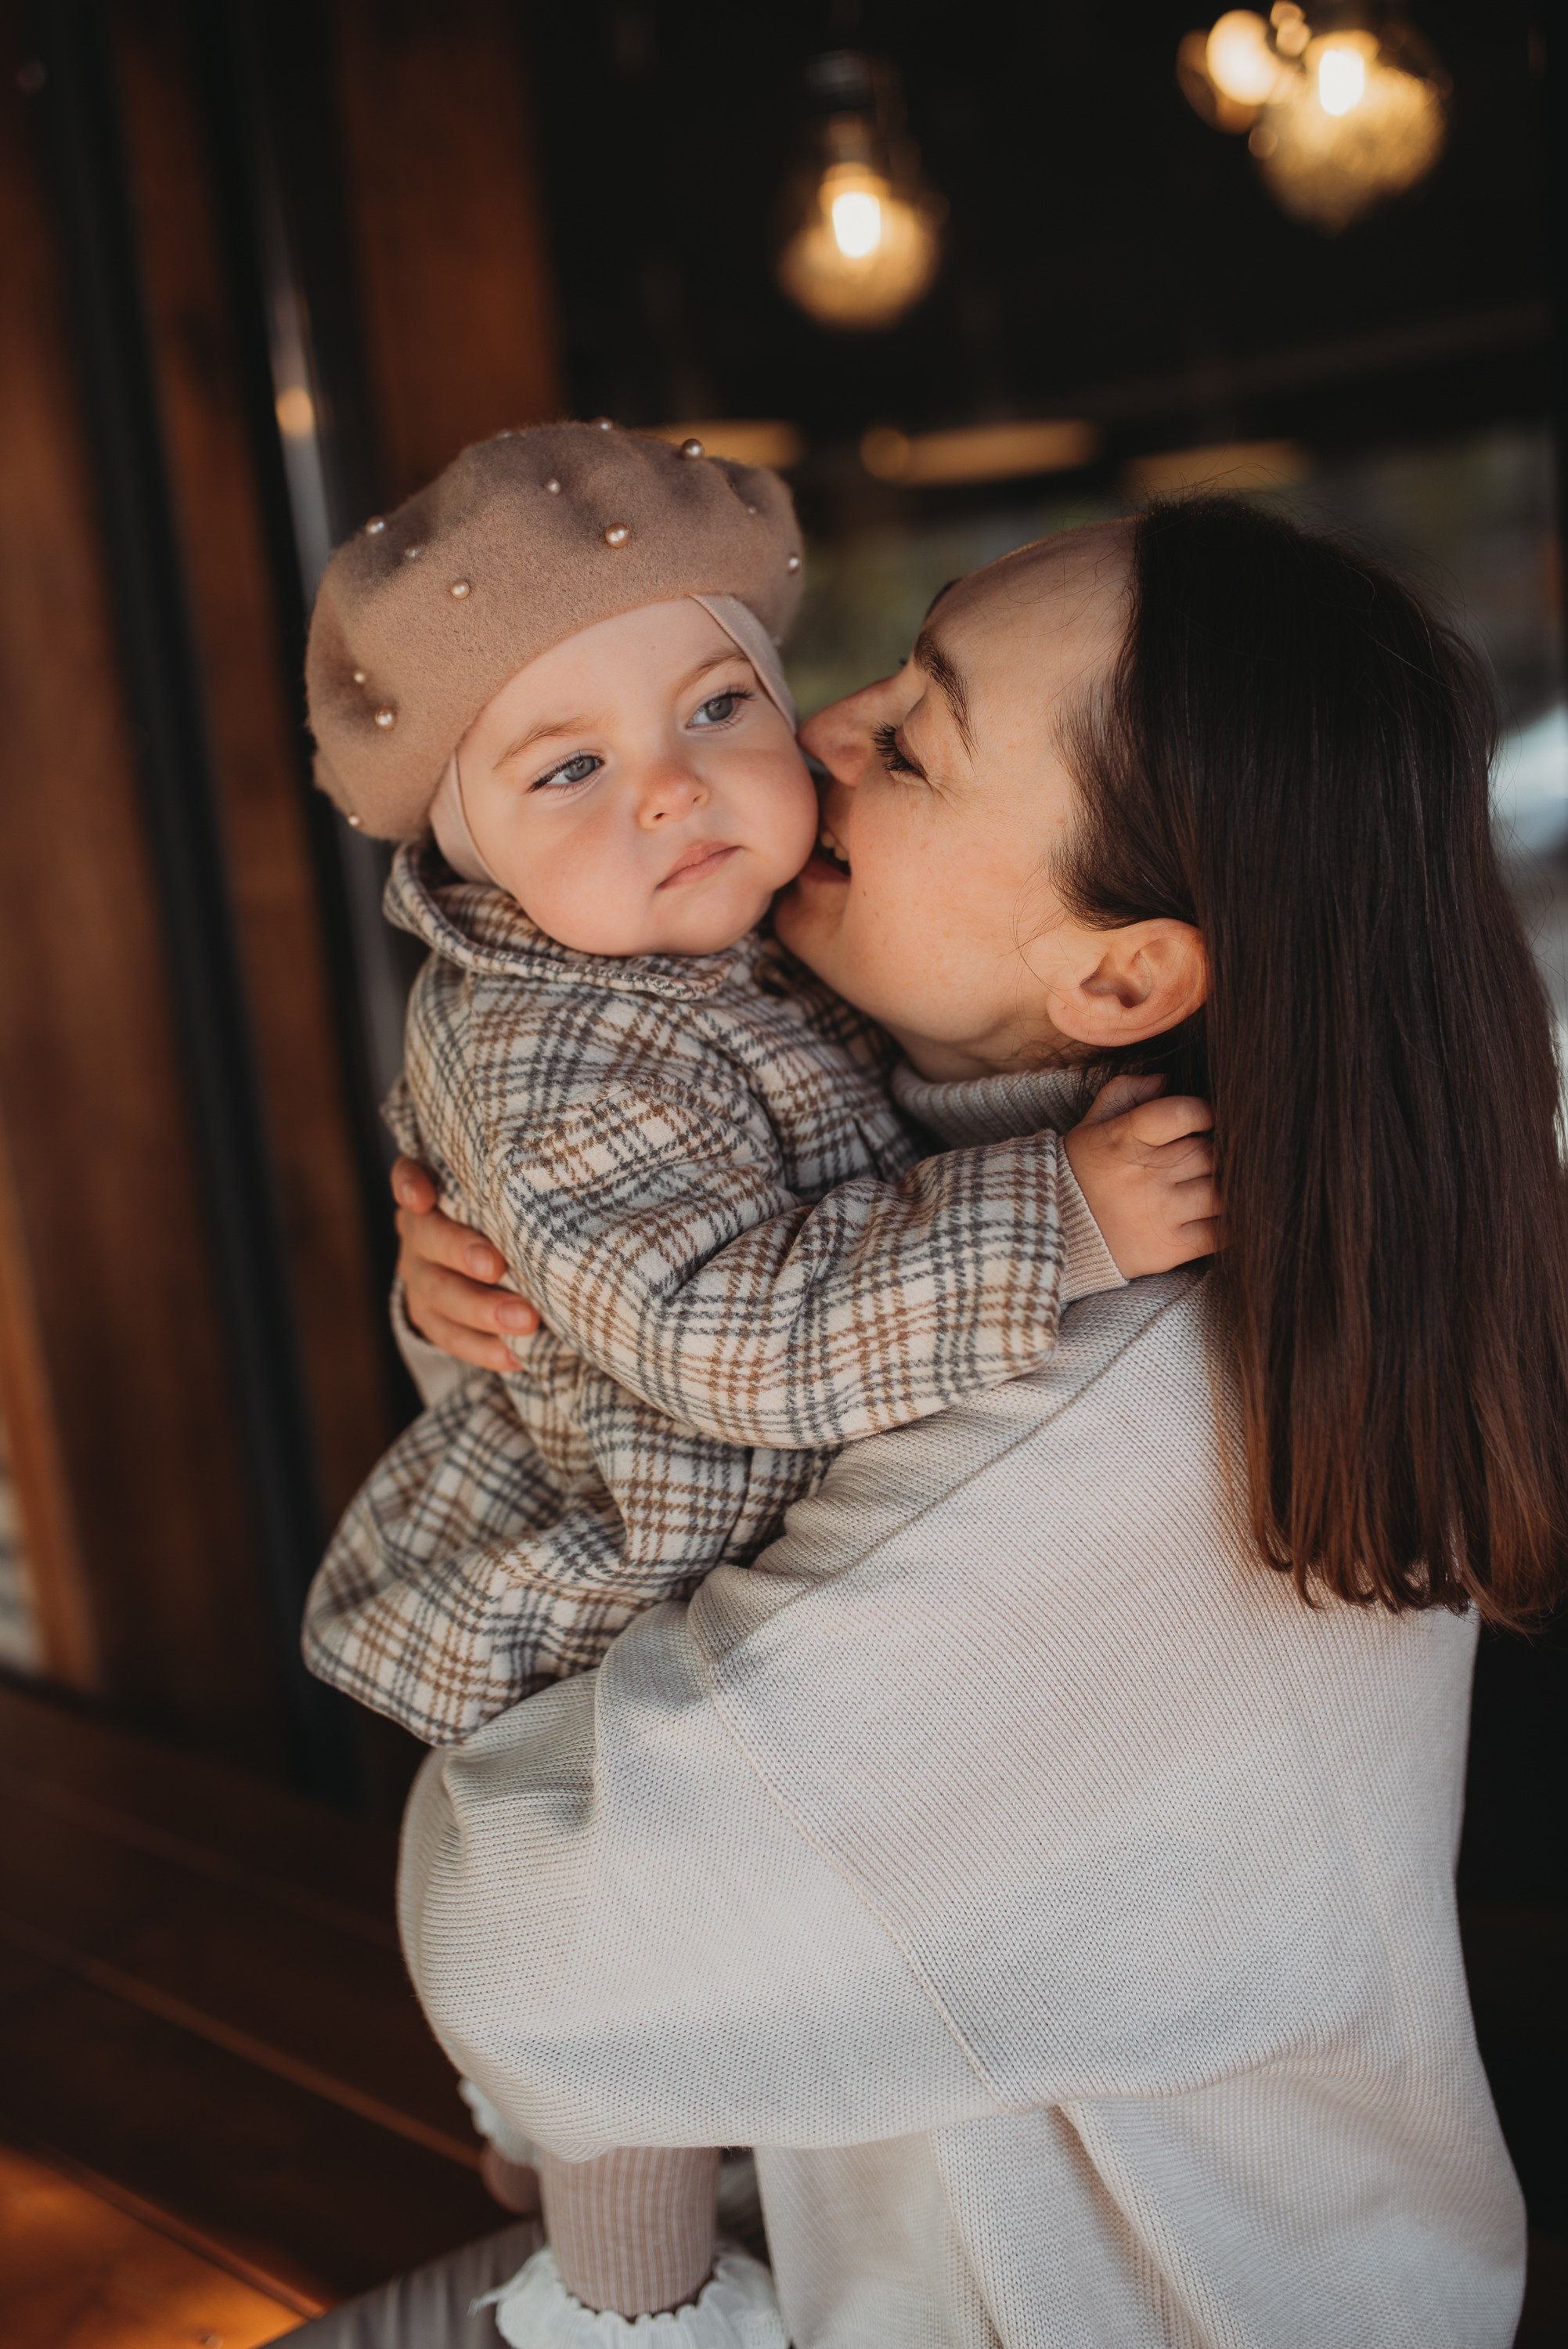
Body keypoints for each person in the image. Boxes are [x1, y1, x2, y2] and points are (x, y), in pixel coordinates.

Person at [365, 496, 1562, 2348]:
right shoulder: (901, 1160)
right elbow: (686, 1444)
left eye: (915, 739)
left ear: (1117, 979)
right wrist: (512, 1314)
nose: (817, 732)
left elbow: (533, 1950)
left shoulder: (1112, 1414)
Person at [299, 423, 1217, 2342]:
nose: (683, 791)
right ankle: (629, 2308)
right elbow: (716, 1329)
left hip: (692, 1532)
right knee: (627, 2041)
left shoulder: (729, 944)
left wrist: (460, 1294)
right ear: (456, 845)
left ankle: (538, 2148)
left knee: (600, 2042)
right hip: (604, 1586)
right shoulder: (563, 1047)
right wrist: (1051, 1220)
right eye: (568, 769)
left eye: (721, 703)